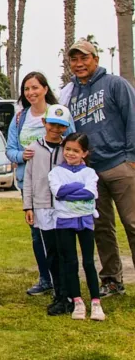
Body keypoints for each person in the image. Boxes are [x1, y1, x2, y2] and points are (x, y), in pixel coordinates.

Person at [64, 39, 135, 298]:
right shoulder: (71, 92)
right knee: (102, 227)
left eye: (84, 58)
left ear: (95, 58)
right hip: (91, 171)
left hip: (120, 164)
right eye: (74, 59)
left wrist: (131, 158)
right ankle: (112, 280)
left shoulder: (115, 84)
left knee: (132, 222)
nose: (79, 64)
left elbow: (132, 118)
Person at [6, 72, 74, 296]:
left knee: (62, 233)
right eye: (26, 89)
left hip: (60, 184)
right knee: (37, 234)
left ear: (45, 88)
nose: (30, 92)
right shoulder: (20, 118)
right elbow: (10, 149)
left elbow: (72, 144)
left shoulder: (59, 112)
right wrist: (20, 155)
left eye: (35, 87)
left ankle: (64, 281)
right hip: (31, 183)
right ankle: (45, 279)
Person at [48, 132, 105, 321]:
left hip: (86, 221)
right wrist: (76, 188)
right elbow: (58, 192)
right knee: (70, 261)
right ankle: (77, 301)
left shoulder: (90, 173)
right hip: (64, 222)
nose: (70, 154)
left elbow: (90, 193)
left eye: (76, 151)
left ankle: (96, 302)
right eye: (68, 149)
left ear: (85, 153)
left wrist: (69, 190)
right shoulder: (55, 172)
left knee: (88, 262)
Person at [22, 104, 72, 315]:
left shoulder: (67, 150)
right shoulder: (35, 148)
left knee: (66, 252)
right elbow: (29, 179)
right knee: (50, 252)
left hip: (64, 209)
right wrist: (28, 206)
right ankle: (57, 291)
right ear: (44, 123)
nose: (56, 129)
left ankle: (68, 294)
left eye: (61, 126)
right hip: (42, 208)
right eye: (52, 124)